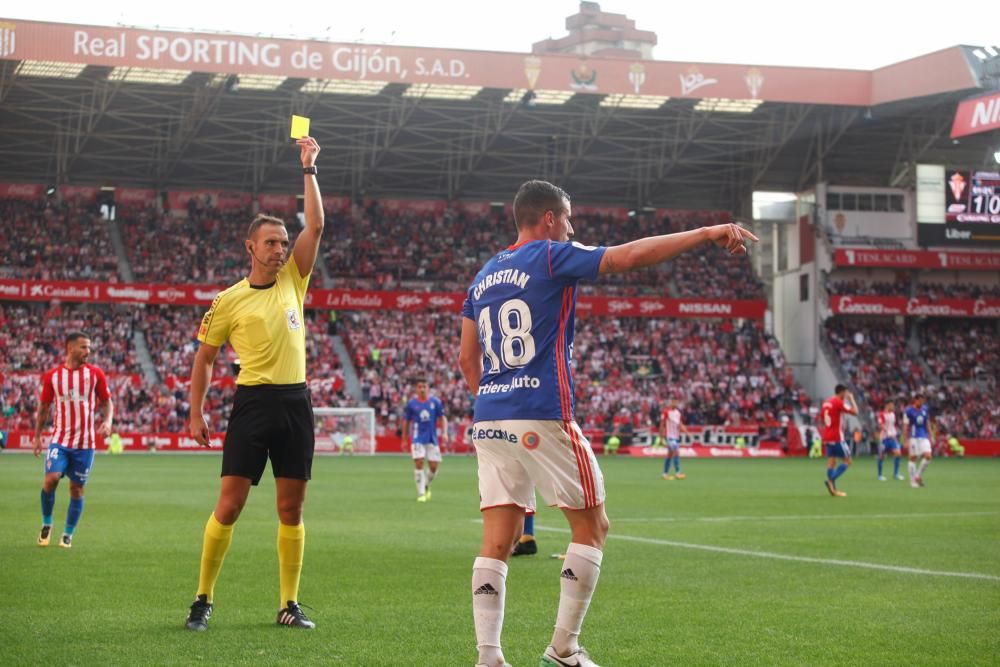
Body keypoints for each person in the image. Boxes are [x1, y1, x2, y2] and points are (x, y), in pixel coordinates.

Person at [458, 179, 757, 667]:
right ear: (550, 219)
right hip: (543, 413)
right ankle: (563, 649)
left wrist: (499, 402)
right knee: (592, 526)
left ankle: (489, 657)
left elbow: (467, 359)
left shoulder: (483, 276)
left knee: (497, 540)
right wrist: (705, 232)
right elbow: (628, 257)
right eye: (569, 218)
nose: (573, 227)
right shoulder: (550, 255)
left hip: (490, 418)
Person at [184, 136, 324, 631]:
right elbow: (204, 359)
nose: (280, 249)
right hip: (253, 403)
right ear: (250, 247)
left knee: (292, 507)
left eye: (284, 243)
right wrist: (196, 411)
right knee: (230, 503)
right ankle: (202, 598)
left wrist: (307, 169)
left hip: (295, 402)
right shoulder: (228, 300)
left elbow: (318, 224)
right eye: (271, 242)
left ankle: (289, 603)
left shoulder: (294, 280)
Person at [32, 331, 114, 548]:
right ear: (70, 348)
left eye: (89, 347)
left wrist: (108, 421)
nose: (89, 351)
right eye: (84, 347)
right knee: (51, 480)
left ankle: (68, 534)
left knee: (76, 489)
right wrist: (38, 436)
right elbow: (43, 408)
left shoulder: (95, 374)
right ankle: (47, 524)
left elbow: (107, 402)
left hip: (85, 445)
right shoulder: (53, 376)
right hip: (60, 440)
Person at [402, 377, 448, 502]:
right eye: (419, 387)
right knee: (419, 462)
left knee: (433, 467)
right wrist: (404, 439)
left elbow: (442, 418)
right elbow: (406, 421)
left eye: (424, 386)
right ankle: (421, 493)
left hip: (432, 438)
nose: (422, 389)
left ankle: (426, 484)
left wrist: (444, 433)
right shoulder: (411, 404)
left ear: (428, 388)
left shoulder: (435, 402)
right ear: (416, 389)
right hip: (417, 438)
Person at [819, 384, 858, 497]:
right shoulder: (838, 402)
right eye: (846, 393)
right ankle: (831, 480)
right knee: (848, 461)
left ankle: (833, 490)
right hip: (837, 437)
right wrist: (852, 400)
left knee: (832, 462)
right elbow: (855, 412)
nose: (846, 395)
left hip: (827, 436)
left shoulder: (826, 402)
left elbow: (822, 418)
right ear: (841, 392)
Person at [904, 394, 934, 488]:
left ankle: (917, 476)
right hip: (913, 437)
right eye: (920, 400)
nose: (921, 402)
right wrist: (906, 440)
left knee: (928, 456)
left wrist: (931, 435)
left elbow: (927, 423)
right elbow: (905, 426)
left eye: (922, 400)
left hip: (923, 436)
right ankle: (913, 482)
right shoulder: (908, 411)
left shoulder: (925, 409)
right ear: (915, 400)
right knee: (913, 458)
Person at [876, 401, 903, 481]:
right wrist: (887, 431)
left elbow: (892, 425)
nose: (893, 406)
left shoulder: (893, 414)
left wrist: (894, 433)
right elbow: (881, 425)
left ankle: (896, 474)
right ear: (887, 405)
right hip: (884, 438)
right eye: (892, 405)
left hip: (892, 438)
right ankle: (880, 475)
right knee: (882, 457)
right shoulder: (881, 414)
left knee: (898, 454)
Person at [660, 400, 686, 480]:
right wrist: (661, 438)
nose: (675, 404)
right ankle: (678, 473)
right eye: (673, 402)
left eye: (676, 402)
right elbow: (662, 424)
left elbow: (679, 424)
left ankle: (665, 474)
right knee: (676, 452)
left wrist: (683, 428)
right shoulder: (666, 412)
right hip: (670, 436)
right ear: (670, 403)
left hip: (676, 437)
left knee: (670, 455)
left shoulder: (678, 413)